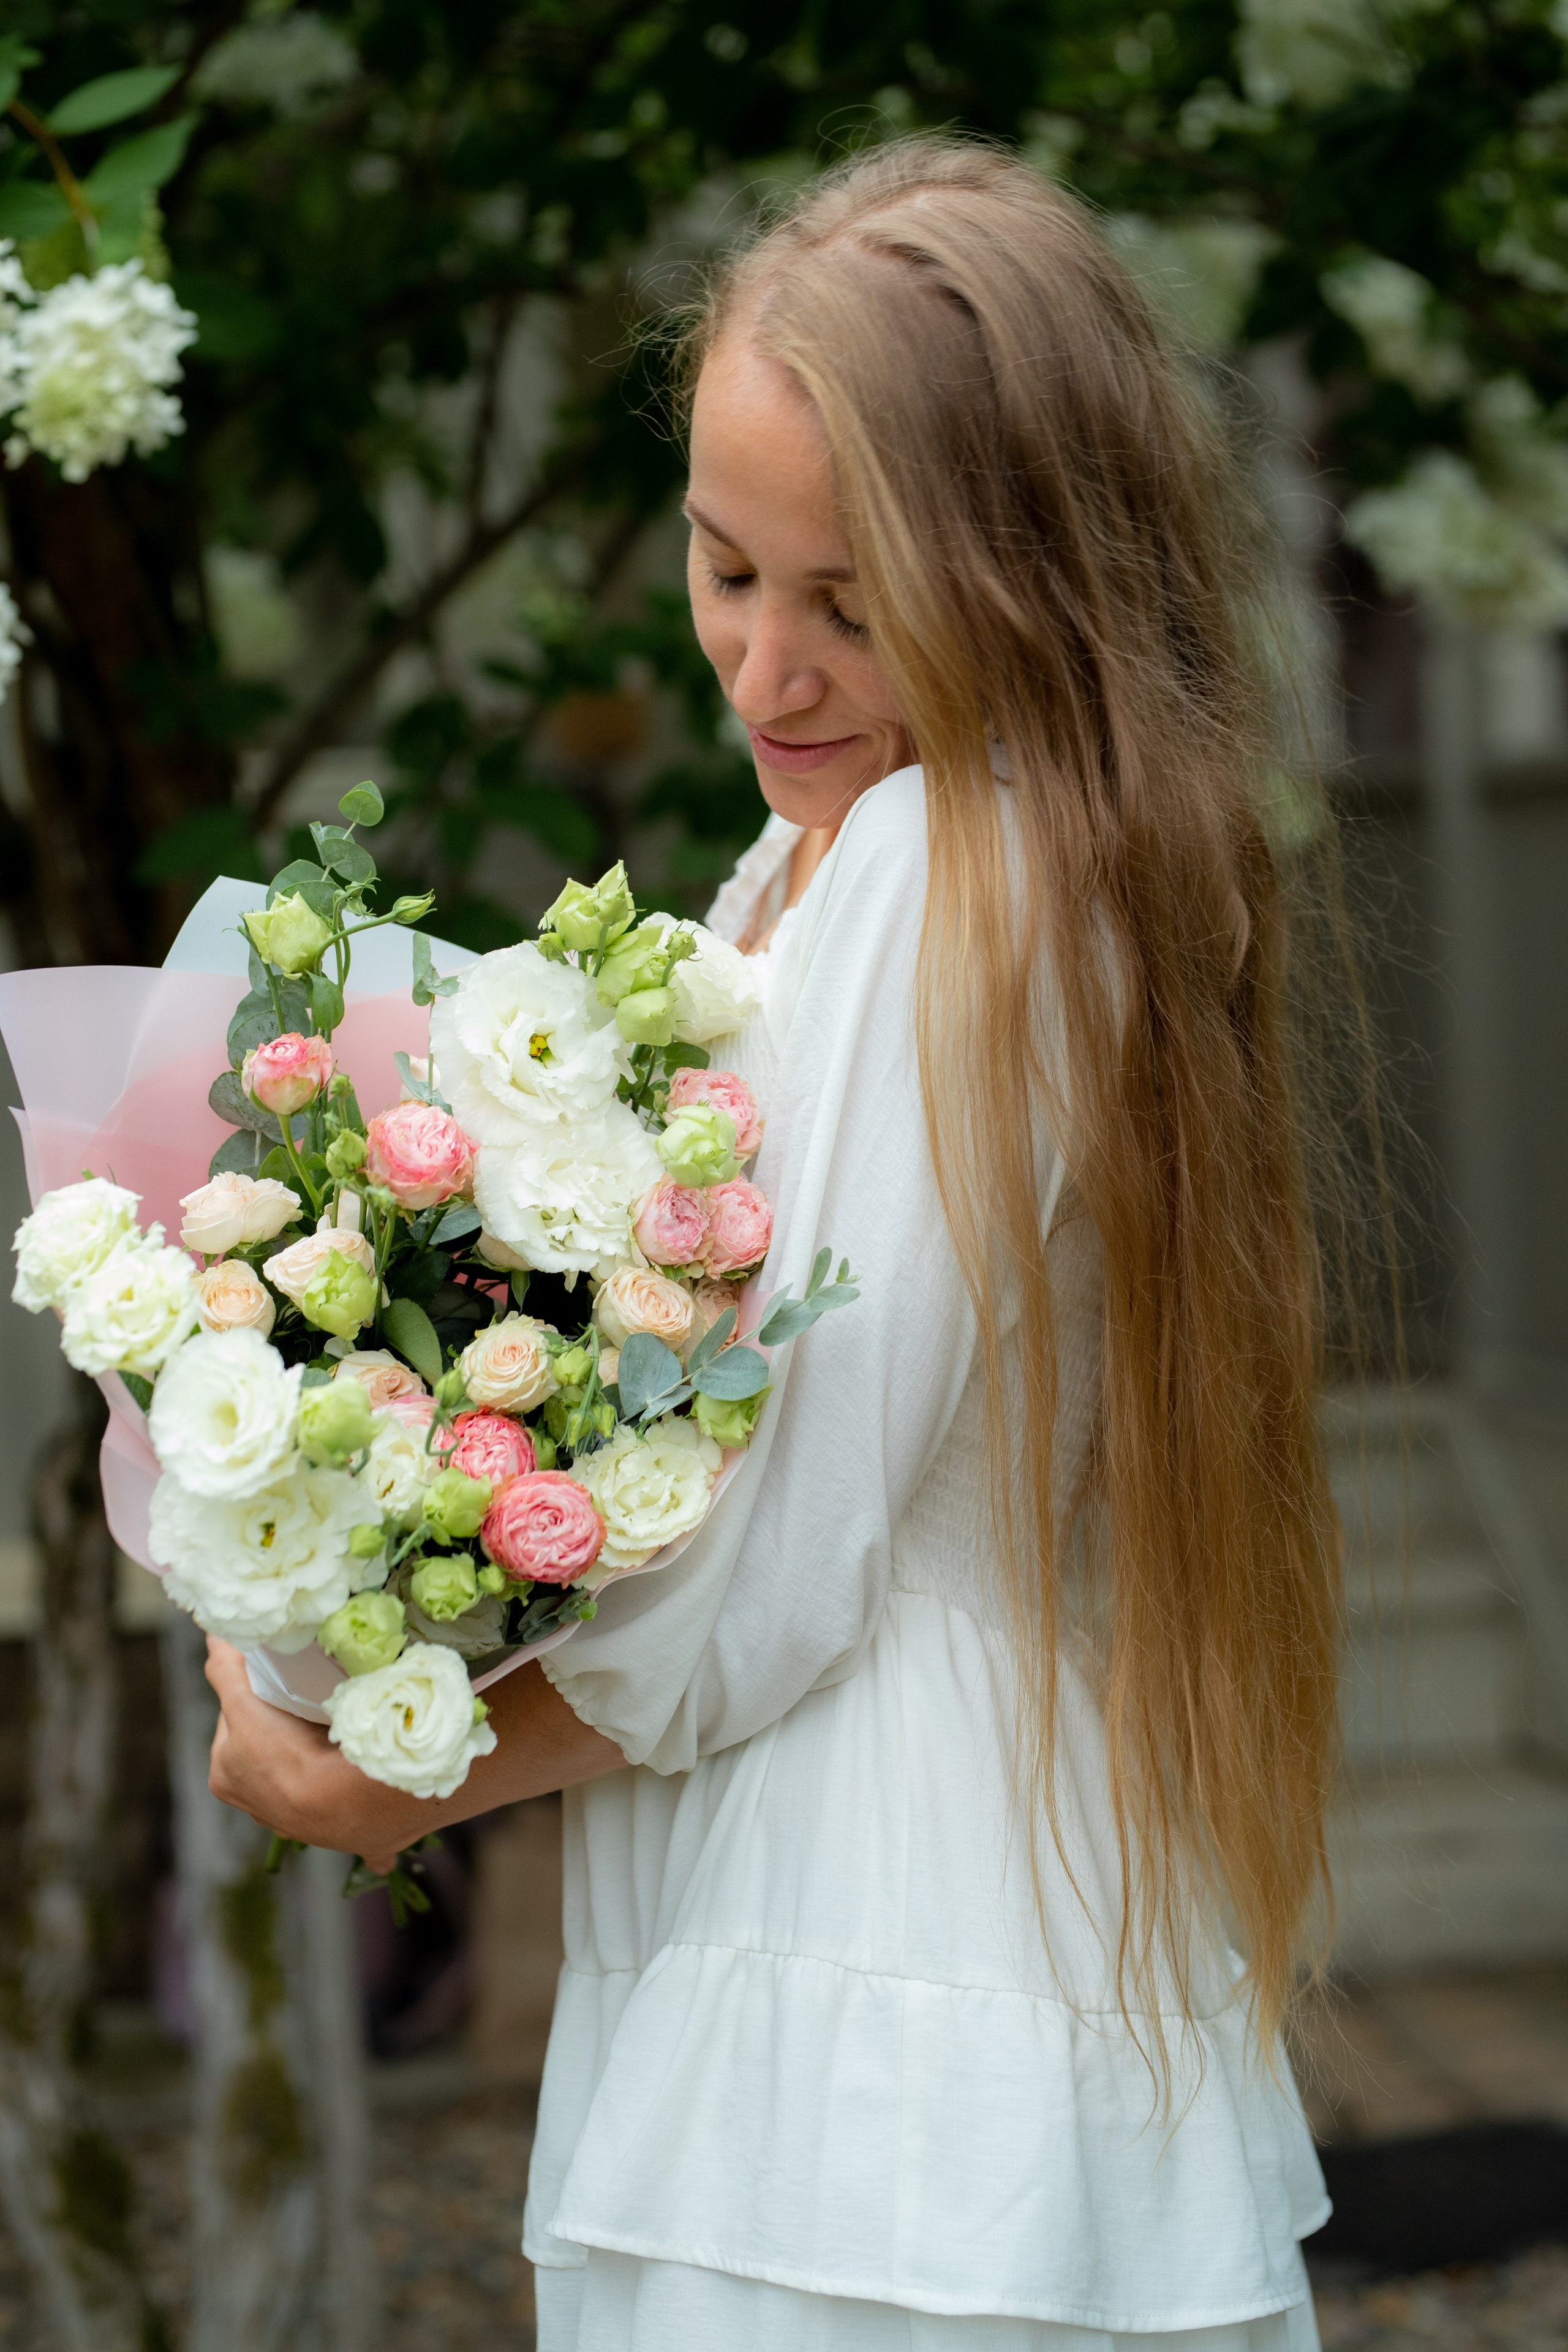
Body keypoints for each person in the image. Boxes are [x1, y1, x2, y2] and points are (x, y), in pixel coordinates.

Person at [206, 138, 1345, 2352]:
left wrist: (391, 1764)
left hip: (872, 1921)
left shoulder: (948, 862)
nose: (767, 668)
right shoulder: (815, 871)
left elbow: (778, 1552)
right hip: (864, 1887)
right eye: (727, 569)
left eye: (855, 602)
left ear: (1034, 585)